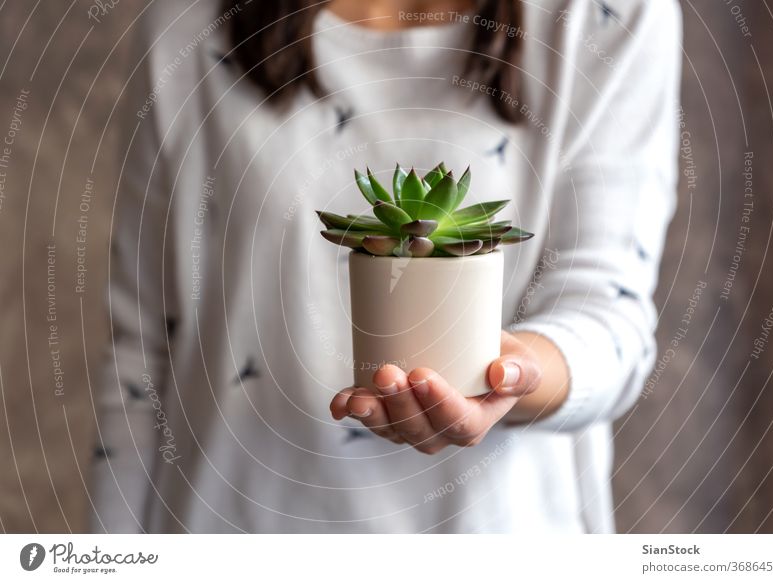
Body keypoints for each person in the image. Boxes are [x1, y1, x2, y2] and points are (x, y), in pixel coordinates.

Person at [89, 0, 682, 533]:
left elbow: (608, 315)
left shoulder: (608, 15)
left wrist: (512, 377)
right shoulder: (190, 22)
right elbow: (142, 351)